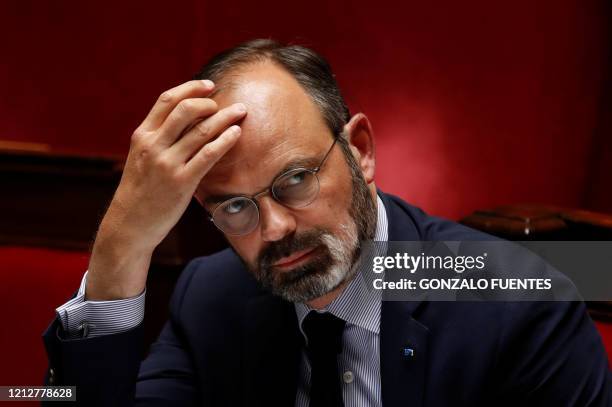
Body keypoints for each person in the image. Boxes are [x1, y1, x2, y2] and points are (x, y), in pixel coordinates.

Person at [43, 39, 610, 406]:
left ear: (359, 150)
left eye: (295, 180)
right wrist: (120, 247)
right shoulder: (210, 296)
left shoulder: (513, 302)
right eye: (235, 207)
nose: (273, 230)